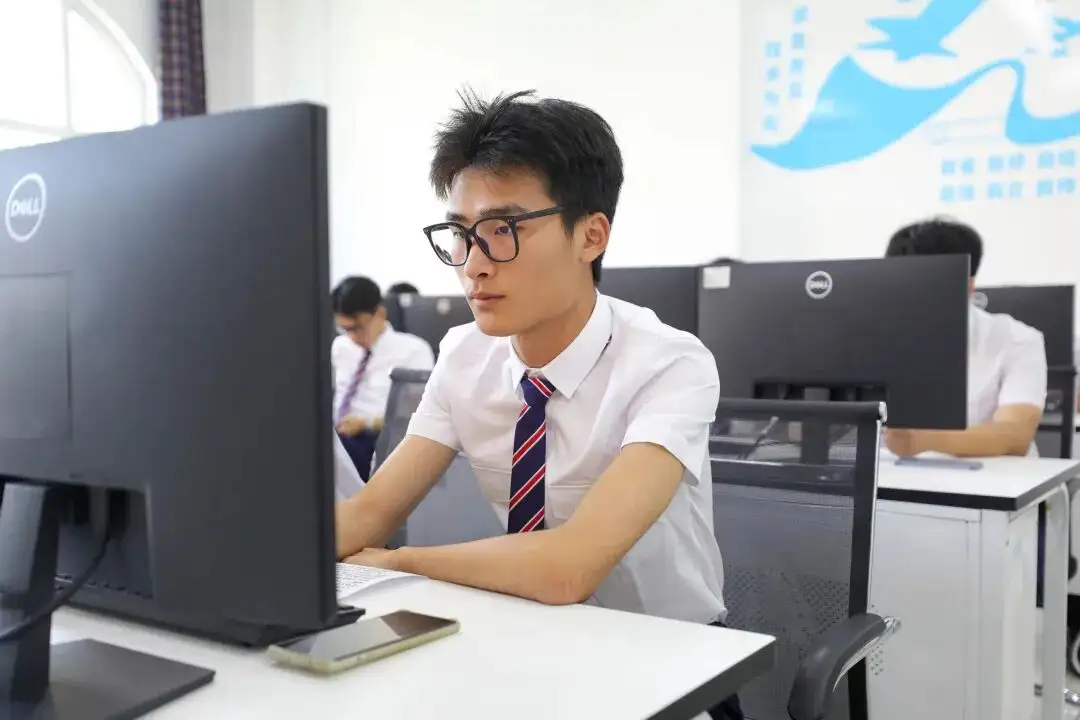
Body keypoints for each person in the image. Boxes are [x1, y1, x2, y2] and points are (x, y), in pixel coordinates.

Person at [335, 90, 739, 719]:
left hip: (667, 662)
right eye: (461, 234)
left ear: (591, 236)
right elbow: (369, 512)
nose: (473, 265)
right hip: (525, 644)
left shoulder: (669, 364)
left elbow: (567, 567)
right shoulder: (463, 355)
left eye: (504, 231)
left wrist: (397, 564)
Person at [883, 218, 1047, 457]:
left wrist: (921, 441)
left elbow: (1014, 436)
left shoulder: (1017, 340)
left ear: (967, 286)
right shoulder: (871, 335)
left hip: (991, 475)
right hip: (891, 474)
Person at [332, 276, 435, 480]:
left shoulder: (413, 350)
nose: (352, 337)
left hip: (381, 440)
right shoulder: (340, 347)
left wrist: (366, 423)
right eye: (345, 329)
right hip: (340, 439)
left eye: (357, 328)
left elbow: (416, 413)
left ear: (379, 313)